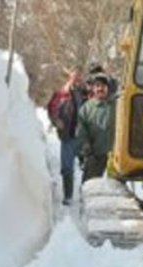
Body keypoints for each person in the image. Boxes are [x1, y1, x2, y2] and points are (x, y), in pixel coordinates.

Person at [46, 66, 86, 206]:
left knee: (87, 168)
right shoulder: (62, 94)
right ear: (70, 77)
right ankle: (68, 195)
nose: (77, 79)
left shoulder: (86, 93)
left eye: (79, 77)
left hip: (83, 136)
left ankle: (85, 196)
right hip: (68, 136)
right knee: (67, 167)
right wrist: (57, 121)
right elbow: (51, 108)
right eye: (74, 76)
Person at [75, 74, 116, 182]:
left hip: (115, 158)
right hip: (95, 156)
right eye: (97, 86)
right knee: (91, 187)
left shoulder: (116, 106)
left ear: (108, 88)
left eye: (103, 86)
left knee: (115, 189)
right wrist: (86, 148)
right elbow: (80, 132)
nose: (100, 88)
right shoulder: (86, 109)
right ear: (93, 89)